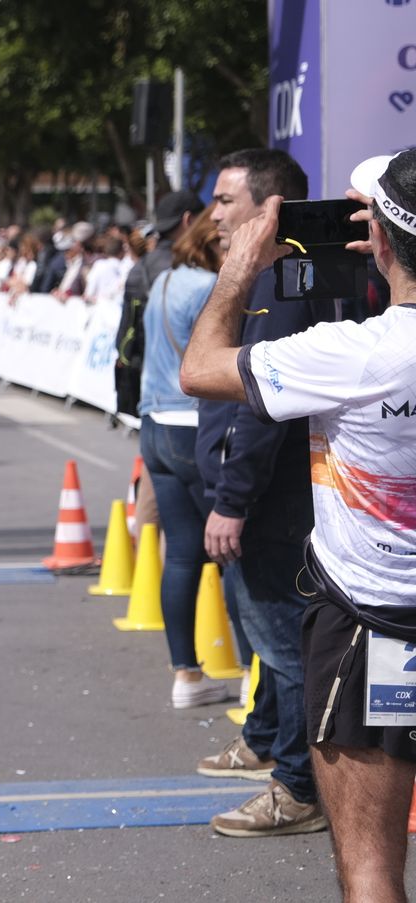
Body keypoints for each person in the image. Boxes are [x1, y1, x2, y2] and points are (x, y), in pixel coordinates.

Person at [181, 147, 416, 893]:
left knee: (372, 869)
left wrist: (242, 264)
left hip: (371, 627)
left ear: (375, 238)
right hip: (371, 625)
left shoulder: (352, 353)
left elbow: (202, 367)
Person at [187, 149, 336, 839]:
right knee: (274, 645)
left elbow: (258, 408)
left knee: (285, 647)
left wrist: (232, 499)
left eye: (225, 200)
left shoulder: (282, 286)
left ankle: (297, 787)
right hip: (263, 502)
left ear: (267, 208)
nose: (213, 214)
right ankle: (271, 742)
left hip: (274, 510)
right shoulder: (263, 281)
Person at [137, 209, 231, 710]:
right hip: (192, 425)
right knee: (234, 547)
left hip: (154, 424)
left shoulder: (167, 280)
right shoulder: (208, 289)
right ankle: (262, 677)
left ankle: (186, 673)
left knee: (181, 554)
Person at [117, 190, 204, 418]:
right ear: (189, 220)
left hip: (148, 392)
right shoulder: (191, 272)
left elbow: (125, 328)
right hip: (184, 400)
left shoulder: (138, 268)